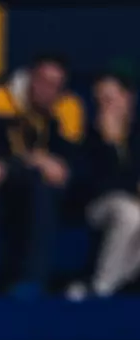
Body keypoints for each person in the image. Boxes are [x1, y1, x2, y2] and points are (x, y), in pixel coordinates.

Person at [0, 55, 85, 296]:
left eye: (55, 84)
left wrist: (27, 162)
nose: (48, 90)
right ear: (30, 78)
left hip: (40, 186)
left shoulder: (69, 107)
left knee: (42, 191)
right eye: (43, 81)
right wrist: (27, 161)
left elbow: (65, 166)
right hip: (1, 179)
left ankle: (32, 281)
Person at [68, 72, 140, 301]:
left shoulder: (136, 135)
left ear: (128, 98)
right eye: (100, 100)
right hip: (99, 206)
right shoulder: (90, 137)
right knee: (129, 214)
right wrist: (109, 143)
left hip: (131, 202)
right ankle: (102, 286)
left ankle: (104, 285)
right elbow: (96, 183)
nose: (105, 106)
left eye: (110, 98)